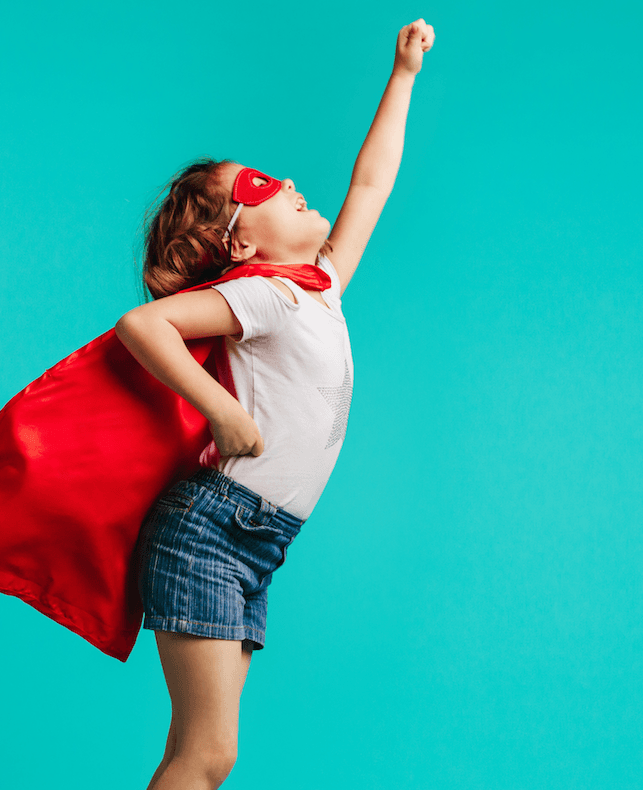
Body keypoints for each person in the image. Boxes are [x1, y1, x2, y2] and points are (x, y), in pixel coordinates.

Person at [113, 18, 435, 790]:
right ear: (243, 245)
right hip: (214, 533)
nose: (288, 183)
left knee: (202, 756)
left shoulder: (315, 287)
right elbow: (143, 324)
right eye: (258, 188)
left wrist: (402, 76)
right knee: (206, 755)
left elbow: (369, 185)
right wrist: (221, 414)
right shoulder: (262, 295)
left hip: (256, 543)